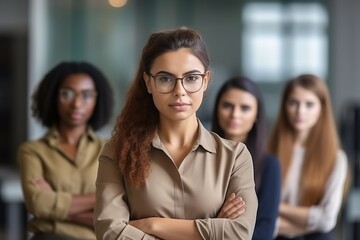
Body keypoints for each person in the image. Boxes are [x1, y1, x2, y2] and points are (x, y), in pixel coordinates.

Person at [94, 28, 258, 240]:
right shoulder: (117, 151)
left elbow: (239, 233)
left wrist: (151, 225)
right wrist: (213, 230)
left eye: (191, 78)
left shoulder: (235, 156)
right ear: (149, 82)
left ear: (206, 80)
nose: (179, 91)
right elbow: (110, 232)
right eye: (165, 79)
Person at [17, 61, 114, 240]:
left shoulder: (111, 151)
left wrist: (53, 206)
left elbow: (119, 213)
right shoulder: (32, 151)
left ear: (97, 100)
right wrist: (101, 198)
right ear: (53, 97)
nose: (77, 103)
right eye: (67, 94)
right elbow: (37, 203)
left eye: (86, 95)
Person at [268, 74, 348, 240]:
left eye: (309, 104)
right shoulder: (269, 151)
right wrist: (309, 220)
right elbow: (256, 217)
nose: (300, 111)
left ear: (322, 108)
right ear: (284, 106)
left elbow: (327, 219)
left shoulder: (336, 158)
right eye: (294, 103)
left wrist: (276, 207)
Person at [211, 76, 281, 240]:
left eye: (245, 108)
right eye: (227, 105)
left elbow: (265, 232)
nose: (235, 114)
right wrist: (219, 224)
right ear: (217, 109)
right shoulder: (200, 155)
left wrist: (215, 228)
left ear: (256, 115)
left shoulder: (269, 165)